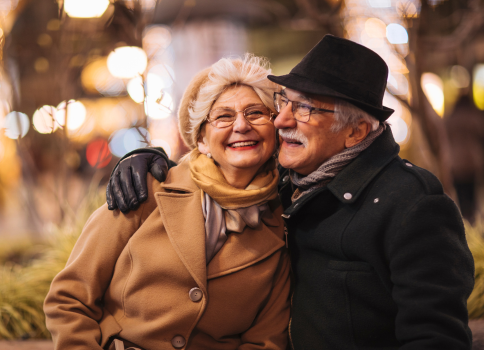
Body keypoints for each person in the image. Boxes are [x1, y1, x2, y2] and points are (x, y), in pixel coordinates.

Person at [107, 35, 475, 349]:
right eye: (284, 101)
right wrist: (148, 158)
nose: (281, 119)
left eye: (305, 108)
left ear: (356, 133)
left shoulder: (411, 205)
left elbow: (434, 337)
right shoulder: (284, 180)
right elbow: (219, 163)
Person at [44, 55, 291, 350]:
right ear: (200, 139)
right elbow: (69, 298)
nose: (241, 125)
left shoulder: (282, 225)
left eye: (255, 113)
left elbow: (265, 341)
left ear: (274, 130)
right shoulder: (145, 188)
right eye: (224, 116)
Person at [446, 94, 484, 224]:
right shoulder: (473, 117)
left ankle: (464, 222)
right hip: (472, 161)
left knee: (460, 195)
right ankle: (472, 220)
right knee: (472, 194)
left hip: (455, 161)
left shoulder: (451, 118)